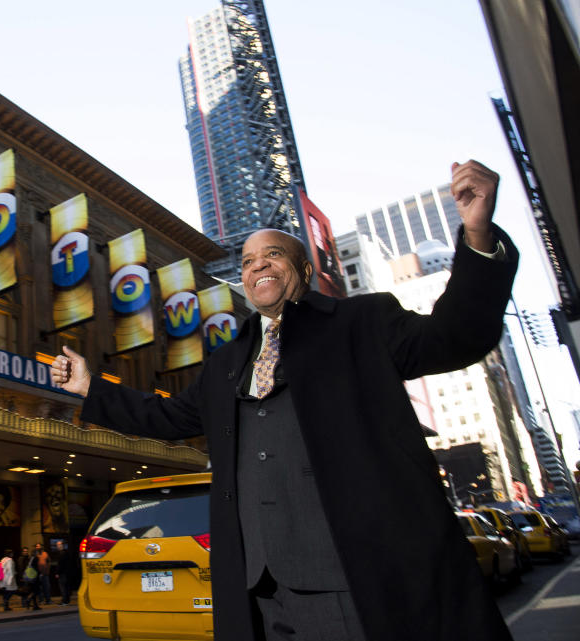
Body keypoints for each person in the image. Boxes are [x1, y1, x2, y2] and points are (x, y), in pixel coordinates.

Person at [52, 161, 517, 640]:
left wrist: (478, 235)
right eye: (249, 261)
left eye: (273, 254)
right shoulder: (226, 362)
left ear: (305, 270)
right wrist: (92, 388)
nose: (258, 265)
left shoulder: (362, 322)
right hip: (258, 590)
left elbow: (454, 336)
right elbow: (167, 416)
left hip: (354, 577)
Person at [54, 539, 71, 605]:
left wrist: (57, 573)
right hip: (66, 573)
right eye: (57, 545)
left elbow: (60, 565)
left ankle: (64, 601)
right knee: (66, 587)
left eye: (59, 545)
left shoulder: (62, 554)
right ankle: (66, 600)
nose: (58, 546)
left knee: (63, 587)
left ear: (62, 545)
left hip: (62, 573)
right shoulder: (66, 553)